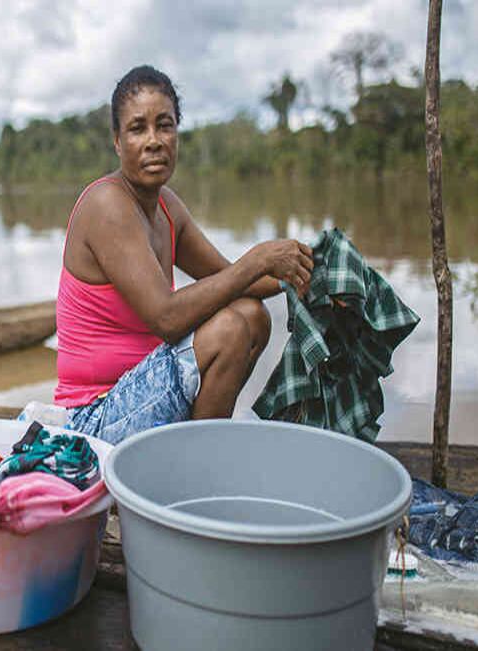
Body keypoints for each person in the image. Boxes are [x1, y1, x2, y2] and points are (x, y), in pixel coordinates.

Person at [56, 65, 314, 444]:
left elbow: (234, 278)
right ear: (116, 141)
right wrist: (259, 258)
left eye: (165, 125)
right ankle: (196, 466)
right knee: (228, 329)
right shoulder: (106, 205)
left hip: (147, 393)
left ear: (177, 133)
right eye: (137, 128)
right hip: (96, 416)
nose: (154, 140)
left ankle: (194, 454)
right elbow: (167, 318)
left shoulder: (166, 208)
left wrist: (304, 269)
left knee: (252, 316)